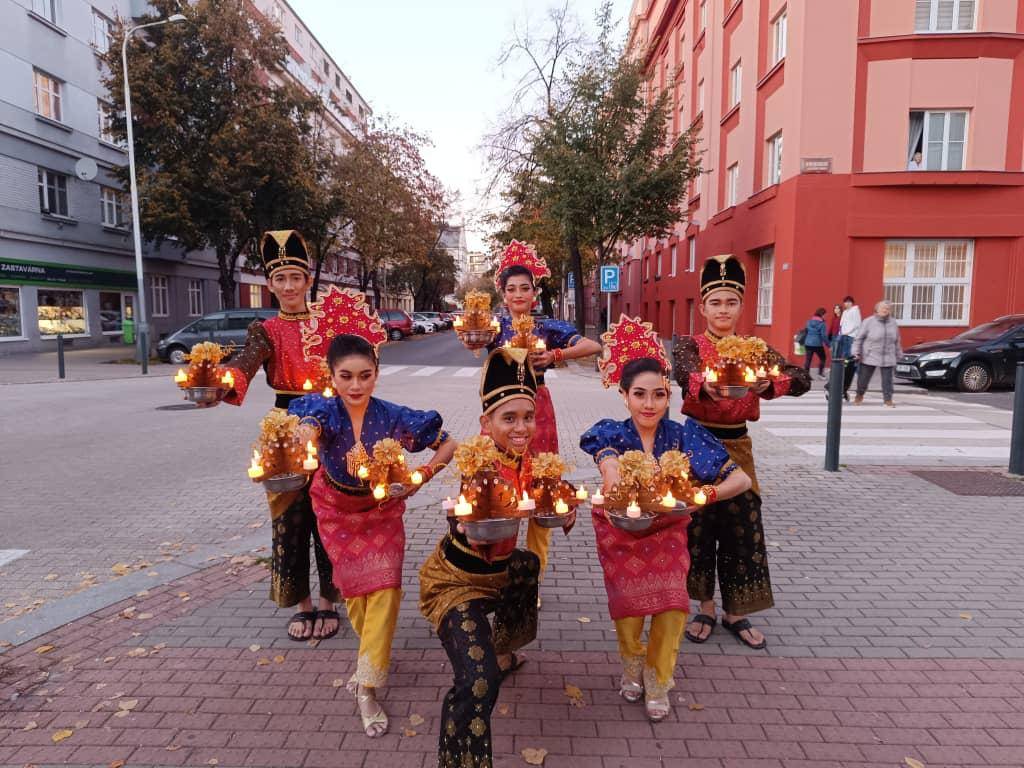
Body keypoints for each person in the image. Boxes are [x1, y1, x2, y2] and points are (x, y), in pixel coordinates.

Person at [289, 317, 456, 738]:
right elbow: (306, 423)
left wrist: (422, 475)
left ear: (377, 374)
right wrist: (304, 437)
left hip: (382, 511)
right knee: (356, 594)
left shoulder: (394, 416)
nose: (356, 385)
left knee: (384, 590)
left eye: (365, 375)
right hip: (334, 511)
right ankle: (373, 653)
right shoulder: (323, 409)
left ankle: (367, 686)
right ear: (332, 376)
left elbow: (449, 443)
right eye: (345, 376)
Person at [581, 318, 752, 721]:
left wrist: (701, 496)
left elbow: (740, 479)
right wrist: (609, 467)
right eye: (639, 394)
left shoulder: (684, 436)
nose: (649, 404)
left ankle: (659, 681)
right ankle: (632, 666)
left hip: (669, 533)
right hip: (621, 535)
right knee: (628, 610)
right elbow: (598, 446)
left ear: (668, 395)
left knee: (673, 607)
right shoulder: (612, 433)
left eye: (658, 395)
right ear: (623, 395)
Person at [420, 348, 569, 767]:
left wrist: (565, 507)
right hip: (456, 582)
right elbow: (468, 510)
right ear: (487, 424)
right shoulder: (479, 462)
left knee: (526, 564)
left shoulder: (534, 462)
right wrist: (468, 520)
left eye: (528, 417)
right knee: (479, 683)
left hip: (500, 574)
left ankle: (505, 649)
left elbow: (557, 503)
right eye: (509, 418)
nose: (521, 428)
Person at [672, 255, 810, 649]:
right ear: (703, 307)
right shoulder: (690, 346)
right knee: (699, 527)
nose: (723, 310)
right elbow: (683, 373)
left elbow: (802, 378)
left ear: (741, 306)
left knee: (742, 527)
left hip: (738, 444)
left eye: (730, 302)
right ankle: (705, 607)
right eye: (715, 303)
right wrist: (705, 385)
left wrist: (770, 384)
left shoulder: (755, 348)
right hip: (697, 443)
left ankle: (737, 612)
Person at [214, 230, 340, 642]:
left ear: (307, 282)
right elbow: (244, 365)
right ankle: (301, 604)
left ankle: (329, 601)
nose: (288, 286)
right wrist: (216, 381)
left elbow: (358, 362)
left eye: (295, 278)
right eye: (280, 279)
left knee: (329, 513)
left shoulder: (330, 324)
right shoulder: (265, 330)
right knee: (289, 518)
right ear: (269, 285)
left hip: (331, 425)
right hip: (284, 428)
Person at [481, 241, 601, 580]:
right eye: (511, 289)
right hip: (500, 411)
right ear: (503, 295)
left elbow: (593, 345)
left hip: (538, 409)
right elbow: (473, 343)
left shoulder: (547, 328)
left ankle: (531, 579)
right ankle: (499, 575)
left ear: (534, 294)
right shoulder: (493, 328)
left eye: (525, 288)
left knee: (542, 484)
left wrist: (555, 356)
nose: (518, 294)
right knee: (497, 486)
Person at [853, 300, 902, 407]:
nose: (886, 310)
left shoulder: (893, 323)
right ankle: (859, 395)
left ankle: (888, 400)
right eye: (883, 308)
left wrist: (899, 354)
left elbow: (897, 340)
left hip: (888, 355)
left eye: (888, 308)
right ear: (877, 309)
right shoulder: (868, 322)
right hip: (870, 354)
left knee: (888, 380)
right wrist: (856, 352)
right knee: (863, 379)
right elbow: (858, 339)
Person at [802, 307, 829, 378]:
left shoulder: (809, 322)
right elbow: (824, 336)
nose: (826, 316)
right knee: (823, 358)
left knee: (808, 360)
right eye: (825, 315)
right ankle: (820, 374)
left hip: (808, 343)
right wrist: (828, 345)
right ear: (822, 315)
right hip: (817, 344)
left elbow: (806, 331)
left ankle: (806, 375)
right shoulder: (822, 324)